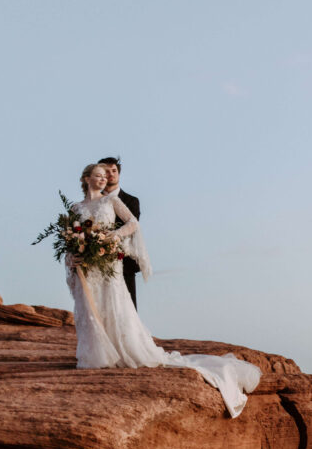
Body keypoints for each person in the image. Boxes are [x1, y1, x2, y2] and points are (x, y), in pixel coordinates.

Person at [66, 162, 261, 418]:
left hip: (107, 261)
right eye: (98, 176)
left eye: (105, 177)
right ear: (86, 178)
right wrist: (74, 257)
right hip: (88, 267)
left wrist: (111, 238)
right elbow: (69, 237)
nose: (103, 180)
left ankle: (121, 350)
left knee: (113, 305)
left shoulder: (110, 203)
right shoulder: (75, 208)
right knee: (90, 307)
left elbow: (132, 223)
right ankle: (96, 353)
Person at [97, 156, 140, 309]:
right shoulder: (93, 202)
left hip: (124, 261)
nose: (111, 175)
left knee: (128, 310)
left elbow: (130, 227)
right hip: (98, 262)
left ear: (119, 174)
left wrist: (108, 237)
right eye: (106, 172)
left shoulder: (131, 200)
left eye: (114, 171)